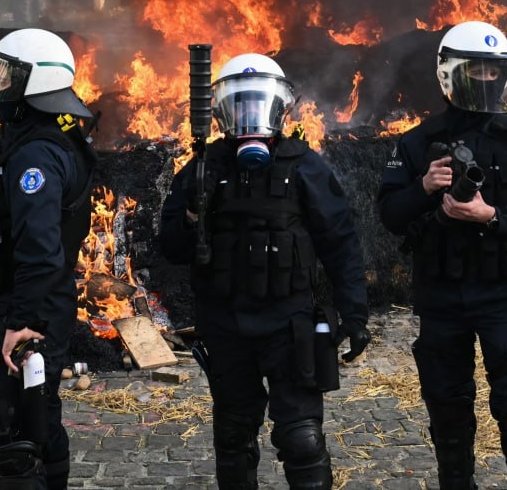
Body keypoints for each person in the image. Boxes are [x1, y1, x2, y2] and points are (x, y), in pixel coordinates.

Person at [159, 53, 370, 490]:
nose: (250, 114)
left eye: (259, 102)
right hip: (226, 324)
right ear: (221, 111)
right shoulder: (202, 168)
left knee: (302, 439)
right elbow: (172, 250)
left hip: (288, 323)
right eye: (240, 103)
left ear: (279, 108)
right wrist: (192, 217)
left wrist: (355, 314)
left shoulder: (305, 166)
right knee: (233, 437)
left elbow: (340, 242)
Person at [376, 21, 507, 490]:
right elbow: (390, 215)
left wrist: (490, 216)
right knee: (449, 411)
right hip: (442, 295)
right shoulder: (417, 142)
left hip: (506, 294)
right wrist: (423, 187)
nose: (485, 80)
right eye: (473, 70)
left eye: (493, 71)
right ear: (450, 74)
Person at [0, 28, 98, 489]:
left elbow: (38, 250)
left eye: (8, 80)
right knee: (41, 419)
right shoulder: (37, 138)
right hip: (31, 301)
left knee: (10, 429)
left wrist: (20, 323)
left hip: (26, 306)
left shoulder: (37, 154)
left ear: (34, 86)